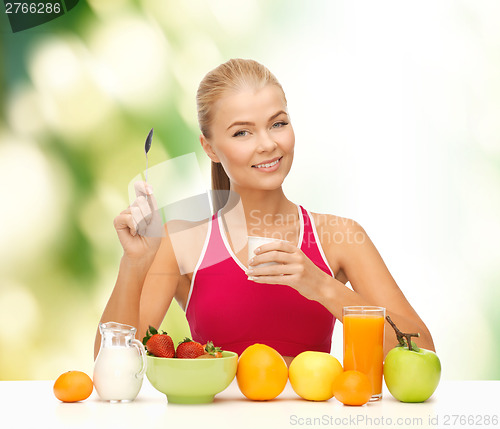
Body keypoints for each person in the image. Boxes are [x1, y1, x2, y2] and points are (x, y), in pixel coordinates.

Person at [94, 59, 435, 364]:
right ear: (209, 147)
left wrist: (322, 286)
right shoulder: (183, 242)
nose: (268, 144)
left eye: (277, 123)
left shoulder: (340, 237)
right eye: (242, 132)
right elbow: (113, 368)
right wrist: (134, 264)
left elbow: (423, 352)